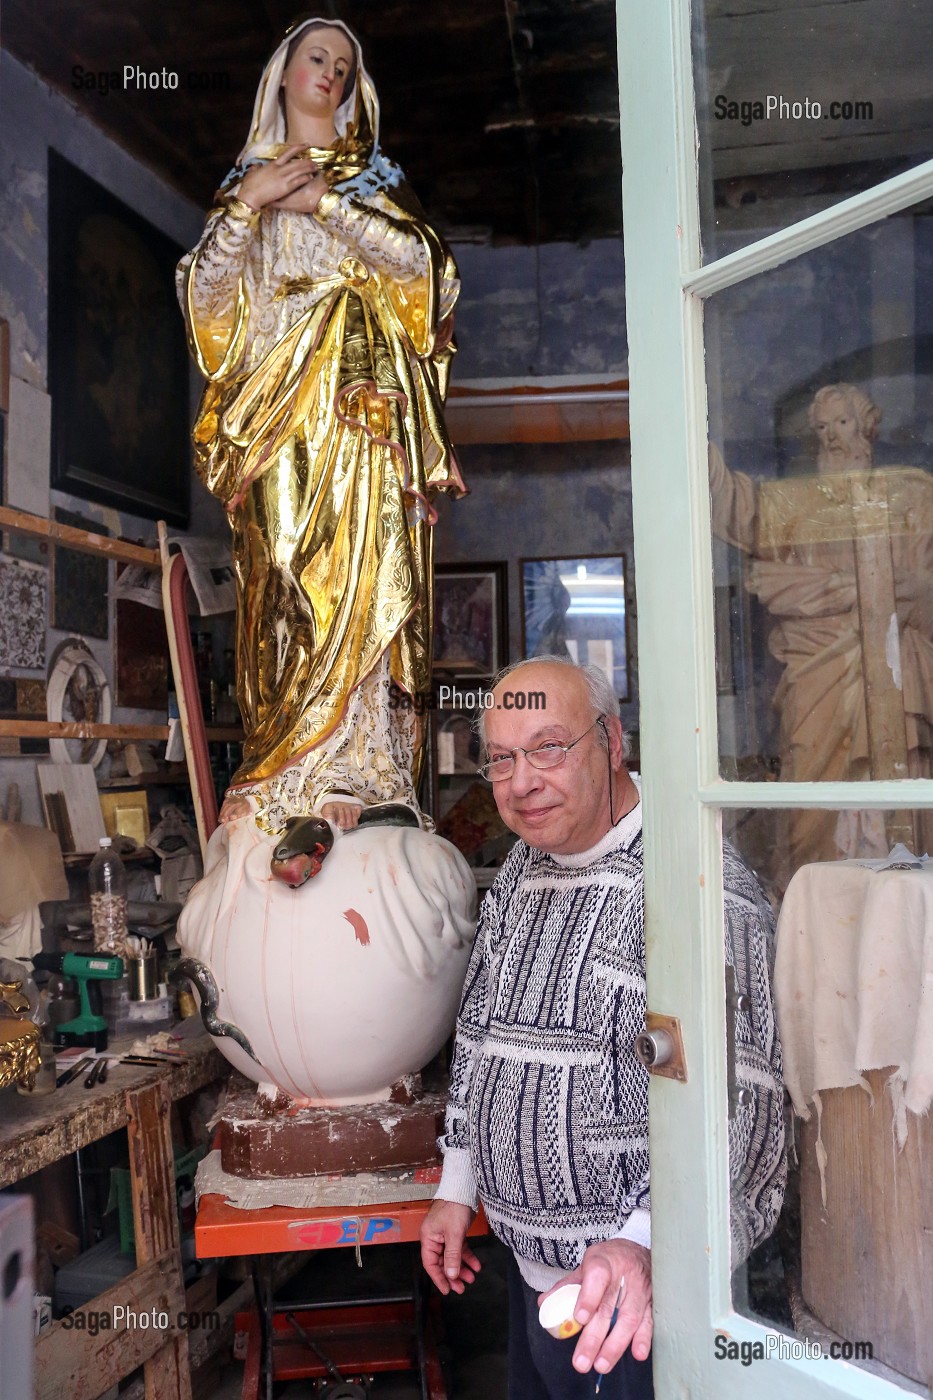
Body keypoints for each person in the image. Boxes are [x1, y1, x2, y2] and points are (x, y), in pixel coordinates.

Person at [419, 657, 786, 1399]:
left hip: (640, 1299)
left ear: (611, 743)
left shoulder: (698, 889)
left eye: (548, 748)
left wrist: (643, 1242)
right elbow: (480, 1026)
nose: (520, 783)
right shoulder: (525, 864)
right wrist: (457, 1183)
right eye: (500, 758)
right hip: (535, 1283)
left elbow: (738, 1106)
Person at [177, 18, 465, 843]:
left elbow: (428, 275)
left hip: (362, 413)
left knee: (365, 572)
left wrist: (327, 205)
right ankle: (280, 762)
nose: (330, 74)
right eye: (316, 58)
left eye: (344, 65)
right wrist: (250, 203)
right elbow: (210, 309)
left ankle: (354, 765)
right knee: (281, 576)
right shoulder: (243, 184)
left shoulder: (371, 179)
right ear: (282, 70)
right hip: (276, 416)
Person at [710, 383, 933, 870]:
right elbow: (738, 510)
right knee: (811, 795)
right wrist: (694, 446)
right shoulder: (799, 505)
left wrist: (882, 593)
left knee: (901, 787)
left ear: (867, 424)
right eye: (822, 427)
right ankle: (815, 907)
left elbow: (927, 584)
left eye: (843, 423)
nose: (833, 436)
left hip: (897, 671)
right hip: (818, 673)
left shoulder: (912, 494)